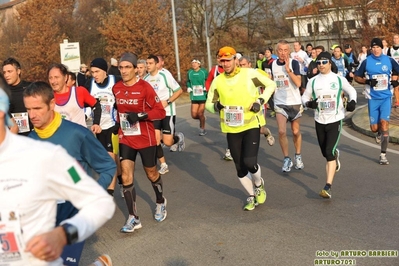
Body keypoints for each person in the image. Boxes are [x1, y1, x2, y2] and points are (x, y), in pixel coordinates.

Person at [0, 77, 115, 266]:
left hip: (72, 215)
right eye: (29, 109)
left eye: (37, 109)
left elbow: (108, 166)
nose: (32, 115)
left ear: (52, 104)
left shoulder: (78, 134)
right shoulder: (29, 141)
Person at [206, 46, 276, 211]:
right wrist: (217, 106)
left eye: (229, 60)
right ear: (219, 62)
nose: (226, 63)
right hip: (231, 128)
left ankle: (258, 184)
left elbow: (271, 85)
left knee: (250, 162)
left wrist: (260, 100)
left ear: (235, 60)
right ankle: (251, 196)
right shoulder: (218, 81)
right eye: (222, 60)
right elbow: (208, 104)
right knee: (239, 167)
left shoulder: (250, 74)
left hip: (251, 124)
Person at [113, 52, 167, 233]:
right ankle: (133, 217)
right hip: (126, 137)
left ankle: (160, 201)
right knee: (126, 176)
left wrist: (141, 115)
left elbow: (160, 112)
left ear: (136, 69)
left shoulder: (145, 88)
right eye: (121, 67)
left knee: (151, 173)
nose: (124, 71)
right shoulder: (117, 88)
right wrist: (116, 123)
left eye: (128, 67)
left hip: (146, 138)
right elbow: (117, 108)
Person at [302, 51, 357, 199]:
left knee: (329, 152)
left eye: (324, 62)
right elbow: (304, 97)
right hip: (320, 119)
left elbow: (351, 90)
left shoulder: (338, 79)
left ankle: (327, 186)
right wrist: (309, 103)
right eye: (319, 63)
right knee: (325, 153)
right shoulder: (313, 81)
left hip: (335, 118)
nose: (321, 65)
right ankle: (334, 155)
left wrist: (352, 101)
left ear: (330, 63)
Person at [354, 38, 399, 165]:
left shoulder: (389, 60)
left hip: (386, 98)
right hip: (372, 98)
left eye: (378, 47)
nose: (375, 49)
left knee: (384, 124)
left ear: (381, 48)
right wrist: (367, 81)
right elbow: (357, 77)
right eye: (373, 47)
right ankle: (378, 132)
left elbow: (397, 70)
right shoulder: (366, 61)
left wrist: (396, 81)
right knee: (374, 128)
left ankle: (383, 155)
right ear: (371, 49)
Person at [85, 57, 123, 197]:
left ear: (104, 71)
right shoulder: (90, 85)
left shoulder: (116, 80)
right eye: (92, 72)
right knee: (113, 158)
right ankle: (122, 182)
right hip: (99, 128)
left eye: (97, 71)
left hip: (114, 126)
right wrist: (87, 117)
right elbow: (87, 106)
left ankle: (109, 194)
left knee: (109, 159)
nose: (94, 75)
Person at [144, 54, 185, 175]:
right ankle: (163, 164)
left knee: (167, 142)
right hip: (153, 114)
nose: (148, 66)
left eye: (150, 63)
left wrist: (167, 102)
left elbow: (179, 91)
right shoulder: (145, 79)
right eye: (147, 63)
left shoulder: (164, 75)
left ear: (156, 64)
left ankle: (178, 138)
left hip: (167, 112)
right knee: (156, 140)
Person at [271, 40, 304, 172]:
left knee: (295, 132)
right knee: (281, 131)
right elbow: (270, 82)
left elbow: (298, 83)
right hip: (280, 103)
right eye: (280, 50)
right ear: (276, 51)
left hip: (294, 102)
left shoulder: (294, 63)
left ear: (289, 51)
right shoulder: (272, 64)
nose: (283, 53)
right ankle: (286, 158)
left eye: (285, 50)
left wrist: (288, 71)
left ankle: (298, 155)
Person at [48, 63, 102, 132]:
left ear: (65, 78)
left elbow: (96, 105)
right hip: (60, 140)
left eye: (56, 77)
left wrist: (96, 123)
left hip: (80, 140)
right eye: (50, 78)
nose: (53, 81)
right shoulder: (47, 97)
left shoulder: (79, 91)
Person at [239, 55, 275, 146]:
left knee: (259, 130)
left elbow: (269, 81)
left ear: (249, 64)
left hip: (257, 105)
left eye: (244, 65)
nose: (242, 67)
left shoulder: (256, 72)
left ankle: (266, 132)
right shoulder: (237, 75)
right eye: (240, 65)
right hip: (243, 106)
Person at [2, 57, 33, 135]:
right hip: (13, 137)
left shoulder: (31, 87)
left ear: (18, 71)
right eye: (4, 72)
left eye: (9, 71)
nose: (6, 75)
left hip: (31, 136)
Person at [186, 59, 208, 136]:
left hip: (202, 95)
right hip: (194, 95)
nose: (194, 64)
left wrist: (206, 87)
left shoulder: (204, 72)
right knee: (194, 115)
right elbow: (188, 81)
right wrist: (188, 87)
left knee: (200, 113)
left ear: (199, 64)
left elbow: (208, 80)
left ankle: (202, 129)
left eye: (195, 63)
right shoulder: (189, 72)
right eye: (192, 63)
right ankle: (203, 119)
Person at [261, 47, 276, 117]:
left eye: (268, 52)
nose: (266, 53)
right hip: (267, 80)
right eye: (266, 52)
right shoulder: (263, 63)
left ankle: (277, 109)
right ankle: (274, 109)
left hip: (273, 79)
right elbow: (262, 72)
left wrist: (272, 78)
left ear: (271, 53)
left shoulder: (274, 61)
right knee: (268, 95)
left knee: (275, 95)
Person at [387, 34, 399, 108]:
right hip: (394, 69)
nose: (395, 40)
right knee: (395, 85)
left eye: (396, 38)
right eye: (394, 38)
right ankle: (397, 101)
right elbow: (387, 59)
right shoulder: (390, 49)